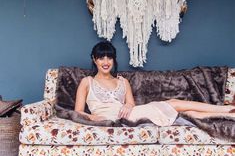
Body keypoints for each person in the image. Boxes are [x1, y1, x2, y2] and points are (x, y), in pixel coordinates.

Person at [75, 41, 235, 126]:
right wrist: (94, 118)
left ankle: (228, 112)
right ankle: (226, 109)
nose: (106, 61)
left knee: (184, 113)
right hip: (118, 119)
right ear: (94, 60)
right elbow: (78, 112)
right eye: (101, 57)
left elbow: (130, 103)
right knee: (175, 105)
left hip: (133, 113)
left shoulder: (122, 81)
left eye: (109, 57)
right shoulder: (87, 82)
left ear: (113, 60)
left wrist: (128, 106)